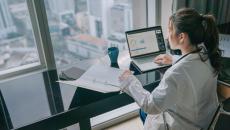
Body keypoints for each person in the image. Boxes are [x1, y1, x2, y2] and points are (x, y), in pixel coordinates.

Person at [119, 8, 221, 130]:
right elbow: (191, 65)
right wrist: (173, 59)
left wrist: (130, 81)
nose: (167, 35)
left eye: (170, 30)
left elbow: (150, 106)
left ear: (182, 37)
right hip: (205, 120)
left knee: (144, 112)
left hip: (185, 126)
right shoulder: (207, 52)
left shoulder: (176, 73)